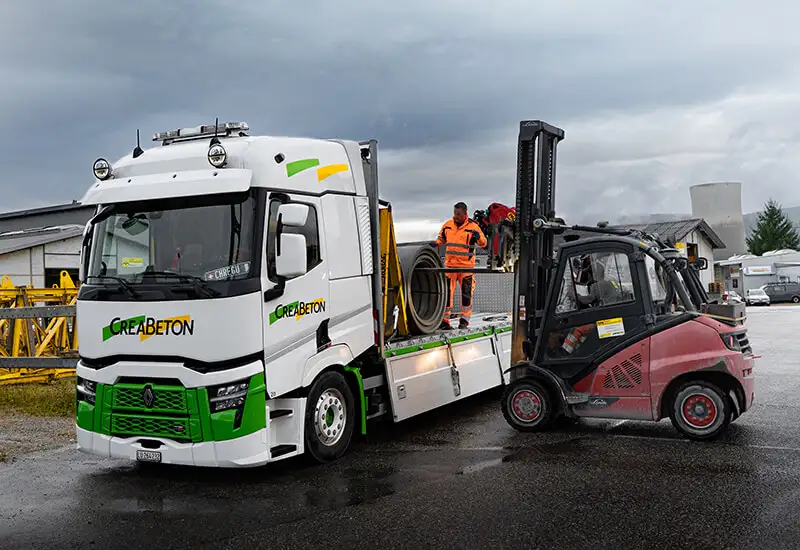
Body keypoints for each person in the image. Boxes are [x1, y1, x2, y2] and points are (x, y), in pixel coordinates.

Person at [431, 202, 488, 329]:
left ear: (465, 214)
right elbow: (441, 239)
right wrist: (435, 244)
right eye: (455, 213)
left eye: (459, 214)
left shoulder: (474, 227)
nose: (456, 216)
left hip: (466, 267)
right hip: (450, 266)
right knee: (446, 293)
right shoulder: (447, 225)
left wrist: (478, 237)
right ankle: (444, 320)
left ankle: (464, 320)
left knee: (466, 295)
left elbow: (484, 243)